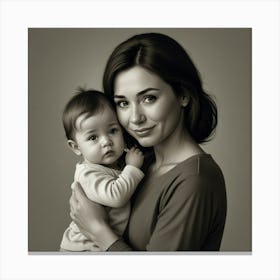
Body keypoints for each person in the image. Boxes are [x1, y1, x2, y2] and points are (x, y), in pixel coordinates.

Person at [69, 33, 227, 251]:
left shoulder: (194, 180)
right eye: (123, 103)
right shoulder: (138, 163)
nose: (135, 118)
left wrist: (97, 230)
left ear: (183, 95)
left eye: (148, 98)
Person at [60, 89, 144, 251]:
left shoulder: (116, 165)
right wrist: (132, 167)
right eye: (93, 137)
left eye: (113, 131)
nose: (106, 141)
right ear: (76, 147)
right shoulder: (87, 174)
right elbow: (116, 196)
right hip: (81, 250)